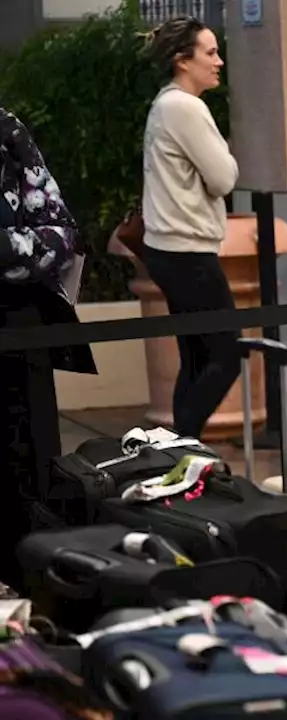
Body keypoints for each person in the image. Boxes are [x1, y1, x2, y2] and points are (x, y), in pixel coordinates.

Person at [0, 106, 92, 586]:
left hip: (21, 336)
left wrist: (10, 249)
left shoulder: (5, 129)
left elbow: (59, 234)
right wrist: (16, 248)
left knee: (30, 485)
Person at [140, 16, 241, 439]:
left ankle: (176, 448)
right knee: (225, 355)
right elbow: (224, 177)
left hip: (171, 249)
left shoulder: (167, 103)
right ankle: (182, 443)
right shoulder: (184, 106)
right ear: (184, 60)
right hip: (187, 252)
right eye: (210, 52)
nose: (219, 61)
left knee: (198, 358)